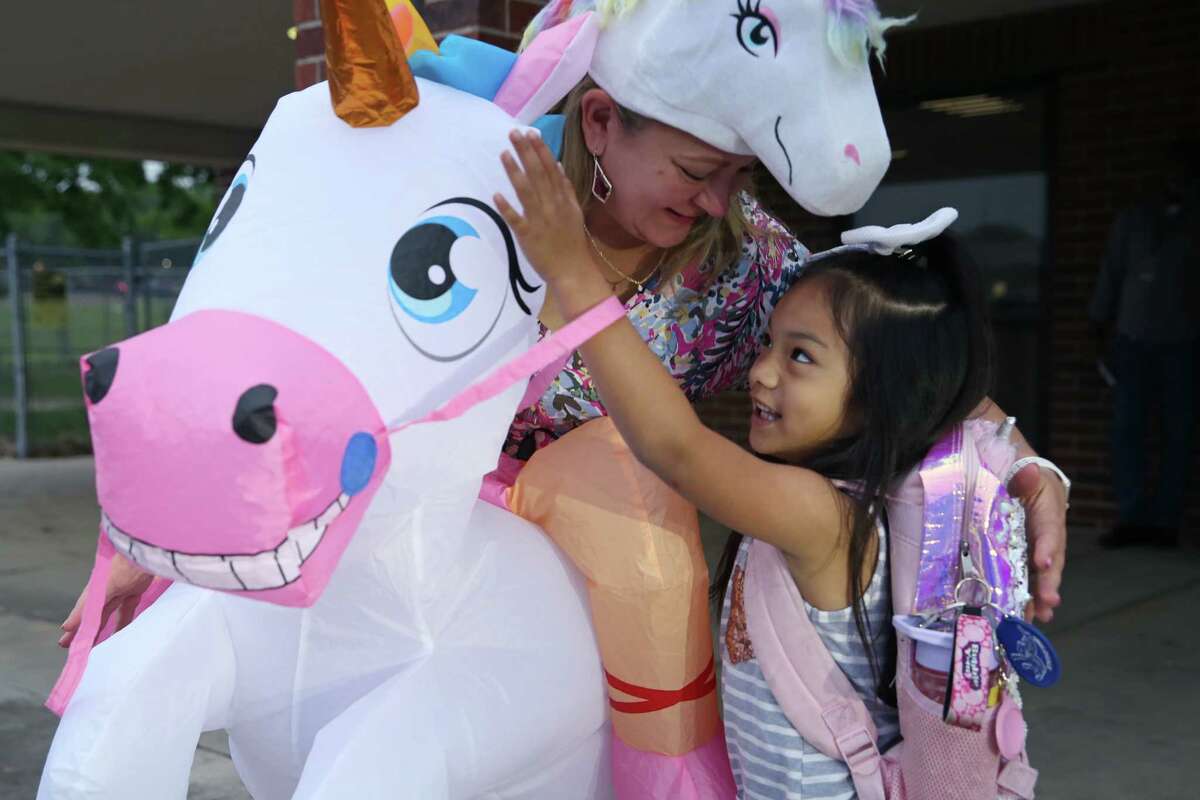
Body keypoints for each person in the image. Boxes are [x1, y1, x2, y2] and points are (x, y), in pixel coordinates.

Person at [62, 0, 1066, 675]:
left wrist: (1018, 454)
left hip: (584, 618)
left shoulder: (740, 258)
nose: (718, 200)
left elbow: (888, 354)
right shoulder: (465, 195)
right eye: (695, 169)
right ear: (598, 123)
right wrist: (167, 531)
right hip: (396, 561)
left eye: (739, 176)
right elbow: (294, 332)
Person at [495, 130, 996, 796]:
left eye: (800, 356)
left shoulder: (824, 514)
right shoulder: (829, 499)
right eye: (770, 343)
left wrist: (575, 277)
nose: (759, 371)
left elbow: (677, 448)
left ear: (886, 395)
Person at [1091, 141, 1199, 548]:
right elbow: (1111, 274)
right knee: (1127, 430)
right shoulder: (1133, 220)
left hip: (1183, 342)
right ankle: (1131, 517)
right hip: (1132, 340)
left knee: (1178, 432)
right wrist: (1098, 324)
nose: (1175, 178)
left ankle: (1165, 523)